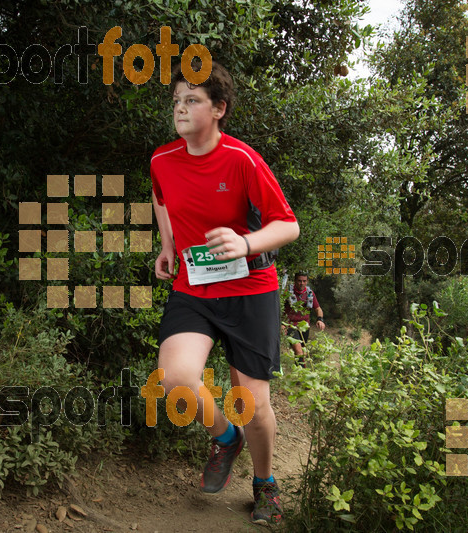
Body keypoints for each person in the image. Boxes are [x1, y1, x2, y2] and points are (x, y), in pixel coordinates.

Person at [150, 61, 299, 526]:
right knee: (175, 380)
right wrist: (168, 244)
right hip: (194, 286)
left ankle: (264, 485)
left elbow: (289, 225)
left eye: (191, 100)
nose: (180, 107)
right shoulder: (161, 160)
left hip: (249, 289)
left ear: (218, 109)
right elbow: (161, 197)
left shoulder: (242, 159)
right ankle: (224, 437)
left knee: (252, 405)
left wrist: (247, 241)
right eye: (177, 100)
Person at [283, 272, 325, 367]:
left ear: (307, 281)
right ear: (295, 281)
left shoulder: (310, 293)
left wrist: (320, 319)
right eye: (299, 281)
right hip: (291, 326)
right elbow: (279, 308)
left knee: (302, 354)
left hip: (304, 327)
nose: (302, 283)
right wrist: (282, 324)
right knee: (299, 351)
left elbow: (318, 309)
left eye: (304, 281)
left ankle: (299, 377)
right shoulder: (287, 293)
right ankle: (302, 377)